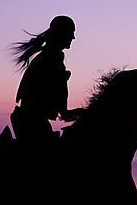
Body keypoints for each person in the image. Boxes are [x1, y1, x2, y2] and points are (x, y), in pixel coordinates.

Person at [9, 16, 82, 147]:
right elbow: (63, 112)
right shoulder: (51, 58)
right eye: (71, 33)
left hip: (31, 121)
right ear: (62, 34)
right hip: (32, 124)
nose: (73, 37)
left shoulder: (50, 56)